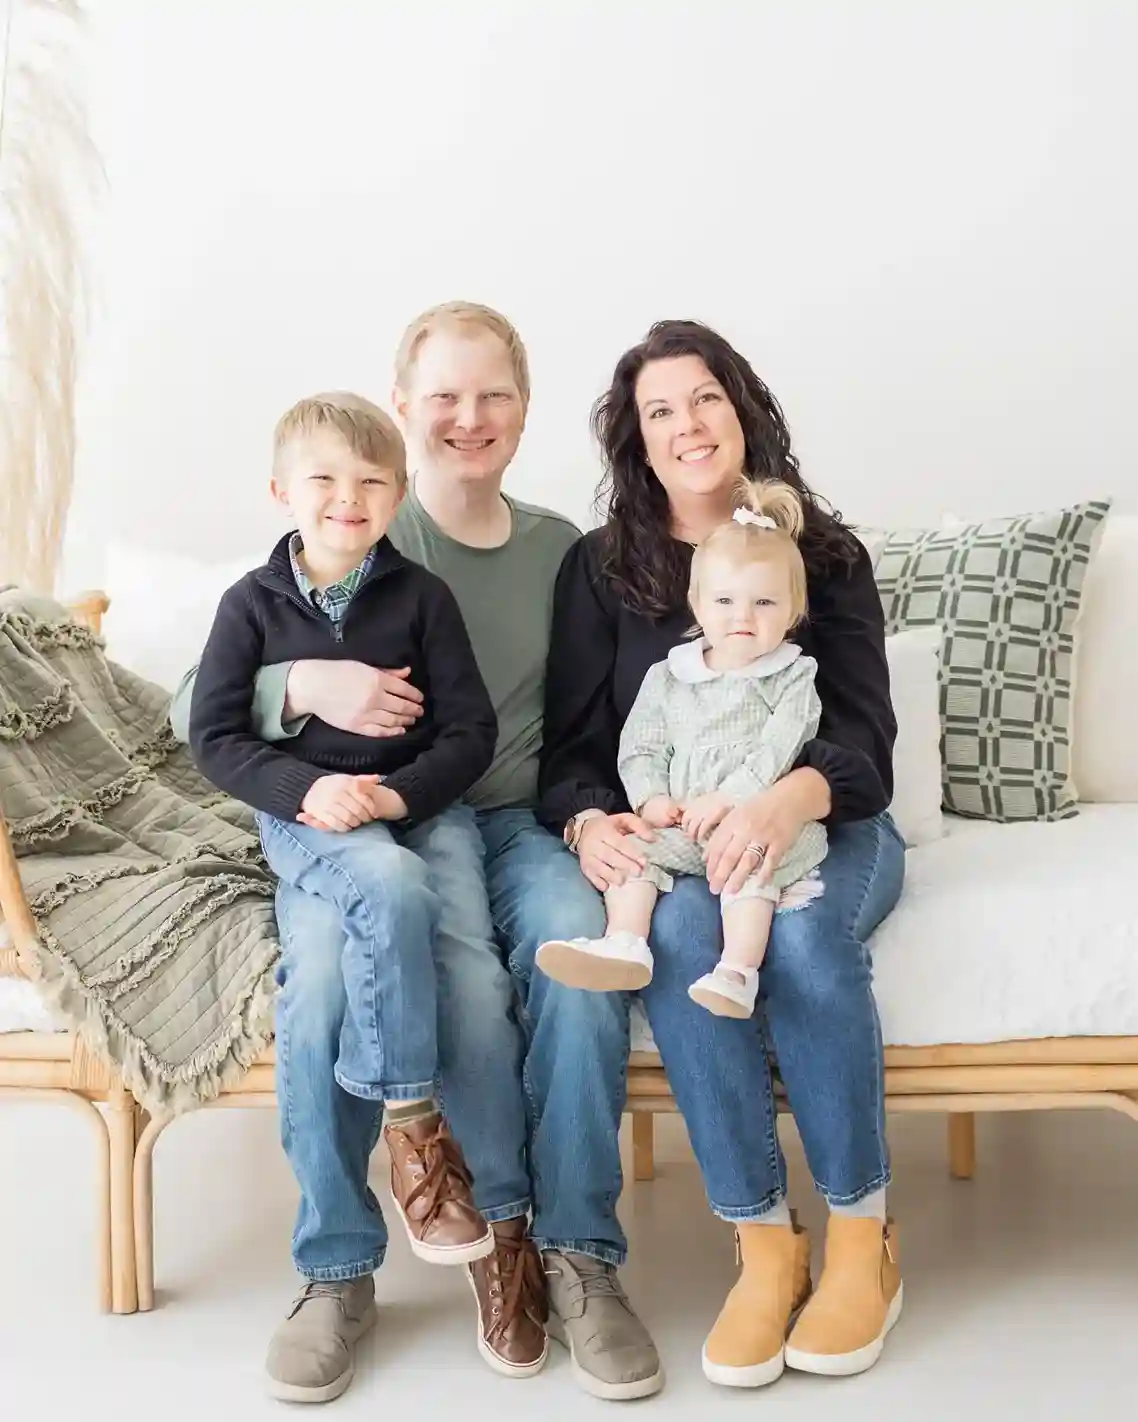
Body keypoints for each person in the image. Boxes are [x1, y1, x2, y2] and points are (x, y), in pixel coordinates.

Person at [170, 304, 663, 1403]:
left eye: (494, 396)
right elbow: (192, 718)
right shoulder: (341, 533)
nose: (469, 418)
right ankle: (335, 1269)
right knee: (330, 987)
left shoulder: (559, 555)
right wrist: (300, 687)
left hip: (518, 822)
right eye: (443, 395)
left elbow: (605, 706)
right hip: (362, 823)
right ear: (402, 409)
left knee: (575, 966)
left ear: (525, 414)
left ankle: (572, 1252)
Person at [539, 319, 906, 1390]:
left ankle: (860, 1241)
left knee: (800, 948)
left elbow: (866, 748)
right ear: (635, 441)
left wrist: (785, 806)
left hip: (827, 826)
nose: (687, 424)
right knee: (692, 941)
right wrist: (591, 822)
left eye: (704, 397)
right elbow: (571, 755)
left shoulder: (824, 557)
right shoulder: (599, 572)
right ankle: (761, 1246)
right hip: (684, 848)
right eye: (660, 410)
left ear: (740, 409)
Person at [190, 392, 501, 1339]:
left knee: (473, 975)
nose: (346, 498)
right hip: (310, 822)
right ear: (282, 489)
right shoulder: (249, 606)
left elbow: (471, 730)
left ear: (399, 493)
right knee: (320, 982)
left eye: (371, 481)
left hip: (417, 811)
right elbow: (212, 738)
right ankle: (390, 1164)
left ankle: (510, 1225)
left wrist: (399, 797)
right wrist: (303, 792)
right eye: (323, 478)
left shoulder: (421, 598)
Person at [536, 477, 827, 1020]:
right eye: (725, 600)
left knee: (749, 871)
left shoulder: (792, 676)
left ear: (793, 610)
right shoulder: (671, 675)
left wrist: (729, 799)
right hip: (685, 825)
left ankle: (737, 971)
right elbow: (640, 745)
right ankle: (625, 943)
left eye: (764, 602)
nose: (743, 617)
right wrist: (649, 802)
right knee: (636, 851)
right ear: (696, 604)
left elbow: (778, 750)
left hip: (757, 823)